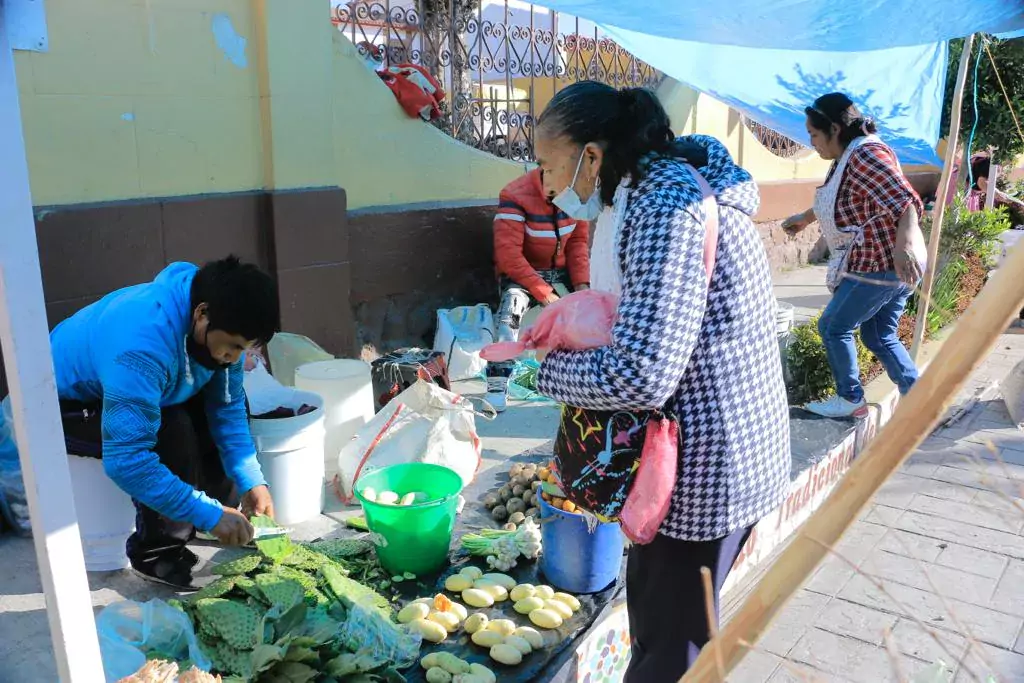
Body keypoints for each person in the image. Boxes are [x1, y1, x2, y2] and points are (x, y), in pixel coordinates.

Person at [533, 81, 790, 680]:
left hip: (705, 464)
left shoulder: (663, 208)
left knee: (671, 650)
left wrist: (547, 371)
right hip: (718, 448)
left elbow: (641, 373)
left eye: (549, 166)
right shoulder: (662, 188)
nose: (545, 184)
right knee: (672, 625)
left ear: (592, 156)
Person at [53, 256, 280, 590]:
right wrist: (207, 513)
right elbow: (128, 461)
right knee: (170, 427)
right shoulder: (140, 345)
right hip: (62, 404)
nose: (236, 357)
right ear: (202, 314)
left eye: (244, 349)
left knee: (224, 401)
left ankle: (220, 513)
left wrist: (252, 481)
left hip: (135, 388)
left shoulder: (222, 324)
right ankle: (156, 551)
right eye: (233, 346)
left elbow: (227, 410)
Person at [783, 92, 927, 418]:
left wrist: (903, 245)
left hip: (880, 263)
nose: (812, 142)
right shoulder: (851, 154)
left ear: (834, 128)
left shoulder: (865, 156)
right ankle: (919, 400)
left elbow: (906, 201)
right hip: (889, 263)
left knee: (833, 326)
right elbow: (845, 197)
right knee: (878, 334)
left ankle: (851, 400)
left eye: (814, 134)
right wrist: (806, 217)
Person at [486, 166, 591, 411]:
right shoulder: (515, 195)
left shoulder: (578, 194)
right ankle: (497, 384)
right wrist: (544, 293)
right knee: (509, 313)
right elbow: (509, 256)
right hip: (523, 275)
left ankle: (582, 384)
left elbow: (578, 244)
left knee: (588, 314)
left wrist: (582, 287)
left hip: (562, 274)